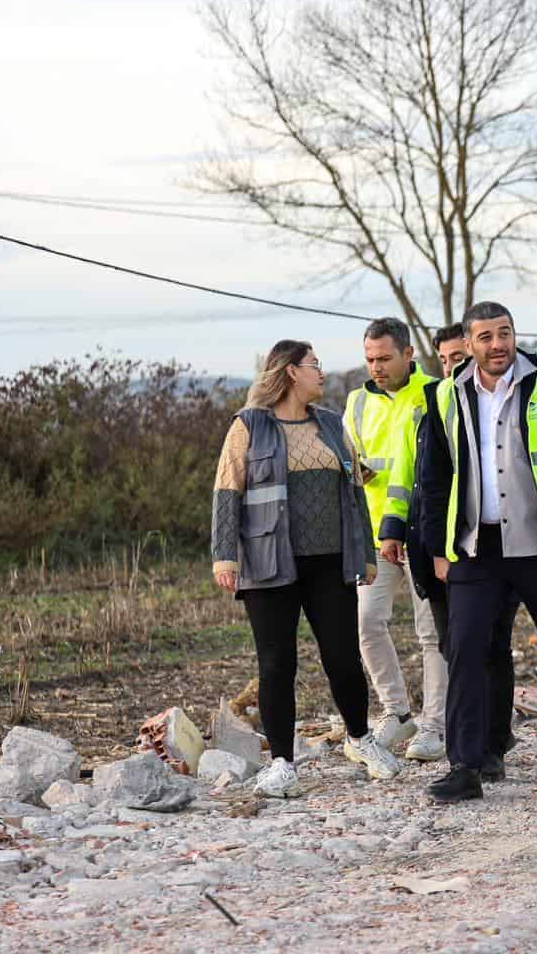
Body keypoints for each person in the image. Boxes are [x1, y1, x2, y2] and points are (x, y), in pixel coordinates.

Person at [212, 340, 402, 796]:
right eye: (314, 365)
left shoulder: (332, 426)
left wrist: (367, 556)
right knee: (277, 663)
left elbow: (356, 492)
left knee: (342, 656)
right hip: (267, 562)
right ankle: (282, 764)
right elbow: (227, 491)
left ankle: (360, 740)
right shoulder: (249, 426)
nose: (322, 372)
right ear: (291, 372)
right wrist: (224, 554)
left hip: (329, 563)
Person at [411, 302, 537, 803]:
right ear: (468, 344)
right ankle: (466, 763)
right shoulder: (444, 395)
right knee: (465, 650)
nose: (498, 344)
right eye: (486, 337)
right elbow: (434, 479)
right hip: (475, 547)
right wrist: (439, 548)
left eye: (504, 333)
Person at [381, 323, 529, 776]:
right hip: (436, 550)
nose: (451, 366)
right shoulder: (432, 407)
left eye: (457, 358)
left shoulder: (487, 406)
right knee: (454, 645)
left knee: (491, 645)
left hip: (488, 548)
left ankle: (491, 745)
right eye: (444, 359)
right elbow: (414, 478)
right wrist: (398, 532)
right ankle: (468, 745)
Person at [344, 318, 442, 758]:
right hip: (373, 533)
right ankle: (398, 714)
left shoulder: (435, 394)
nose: (376, 367)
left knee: (432, 632)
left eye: (384, 358)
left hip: (421, 531)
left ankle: (436, 726)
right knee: (366, 622)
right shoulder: (356, 403)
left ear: (408, 354)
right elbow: (348, 457)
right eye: (369, 359)